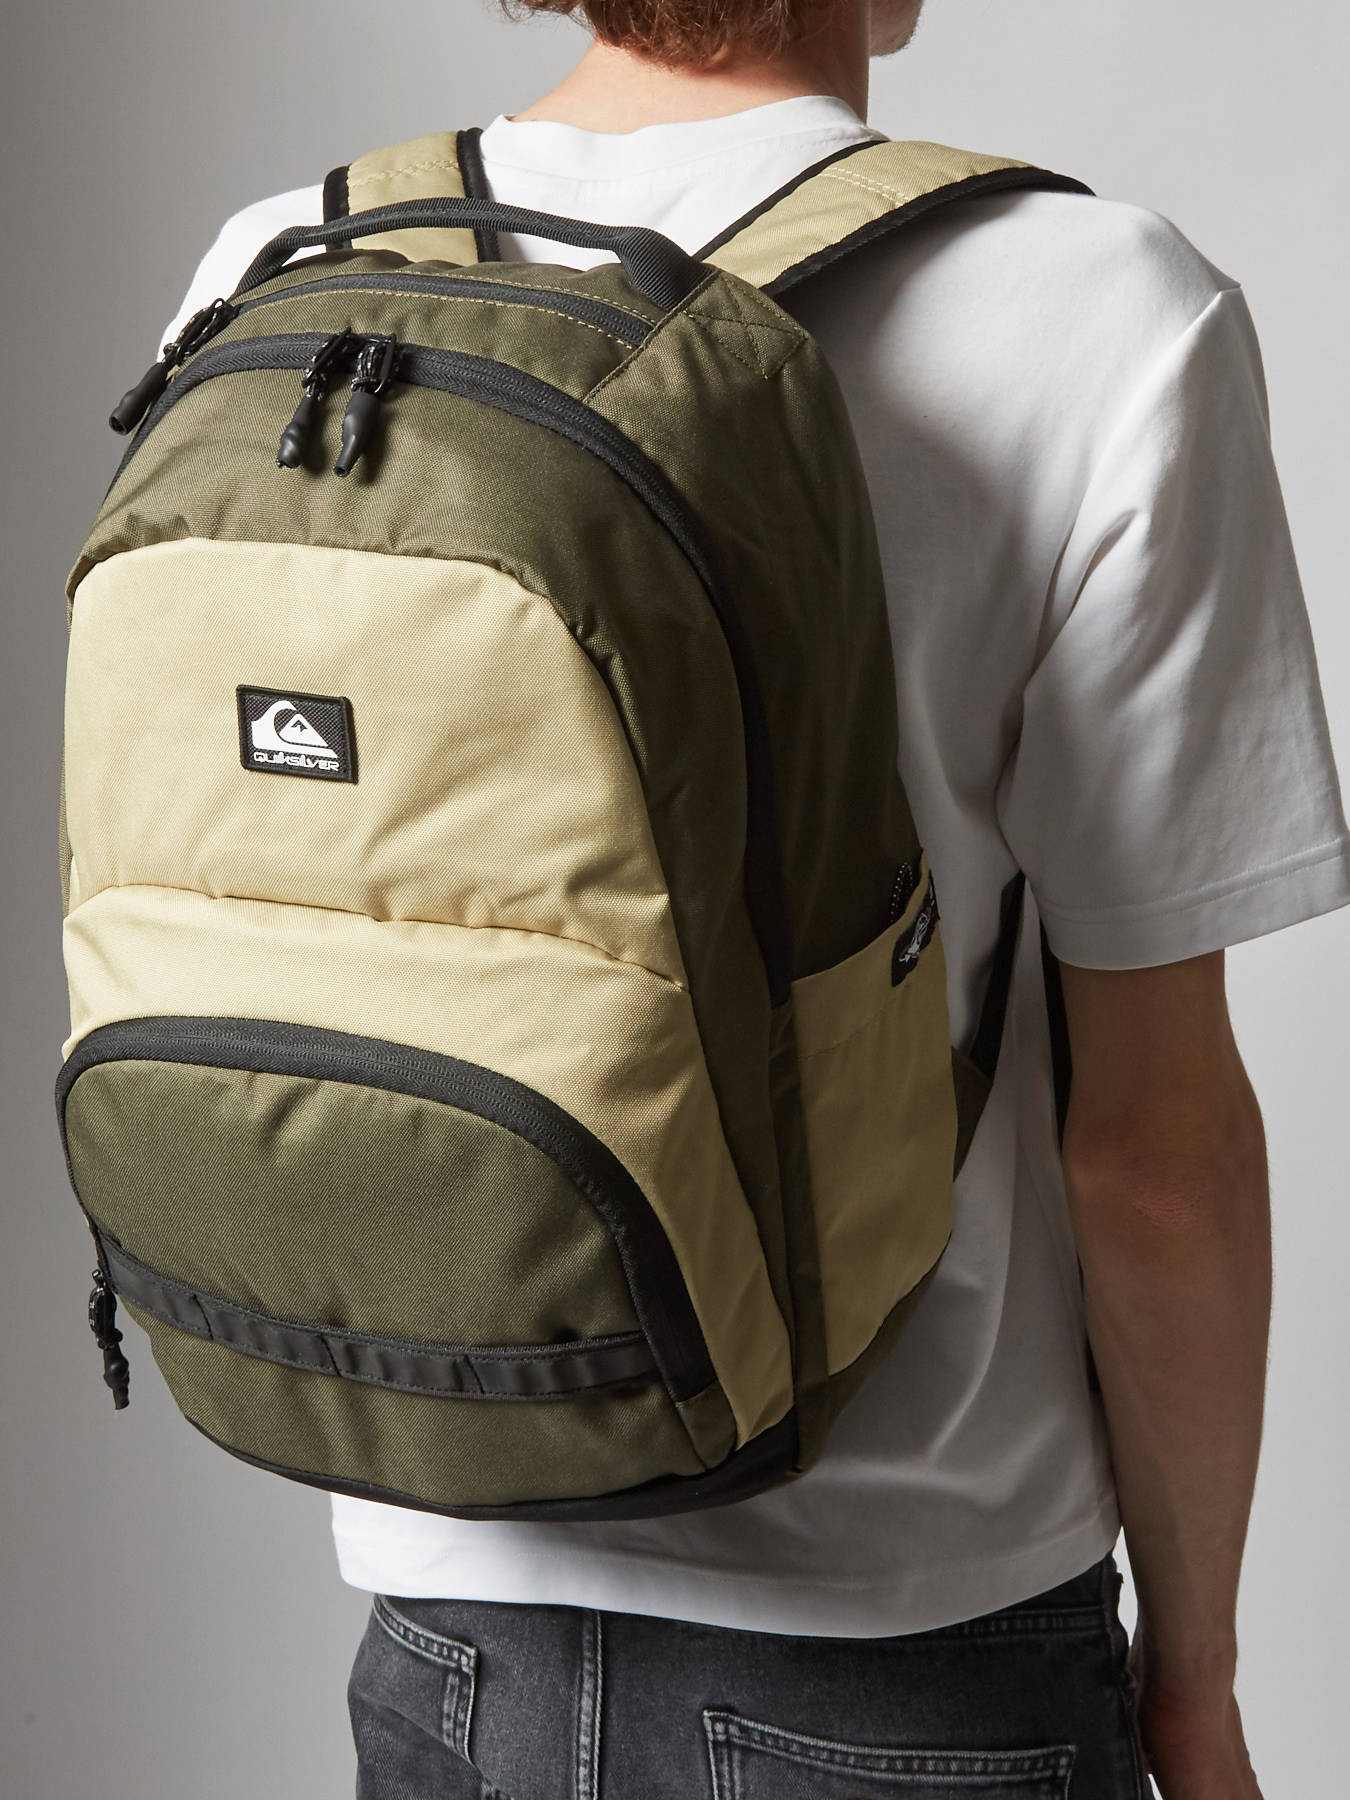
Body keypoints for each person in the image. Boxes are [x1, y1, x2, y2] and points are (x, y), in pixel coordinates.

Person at [165, 3, 1349, 1795]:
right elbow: (1152, 1157)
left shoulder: (285, 264)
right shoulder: (1096, 302)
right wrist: (1197, 1685)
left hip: (439, 1618)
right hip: (913, 1636)